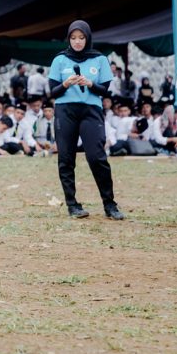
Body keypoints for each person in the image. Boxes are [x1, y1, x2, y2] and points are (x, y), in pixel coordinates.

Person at [48, 20, 125, 220]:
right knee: (66, 158)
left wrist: (90, 83)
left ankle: (110, 204)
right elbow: (53, 92)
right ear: (68, 39)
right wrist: (66, 83)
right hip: (65, 111)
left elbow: (105, 90)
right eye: (73, 38)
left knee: (97, 157)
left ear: (88, 38)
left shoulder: (99, 59)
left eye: (81, 38)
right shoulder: (60, 60)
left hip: (91, 111)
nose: (77, 42)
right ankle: (72, 205)